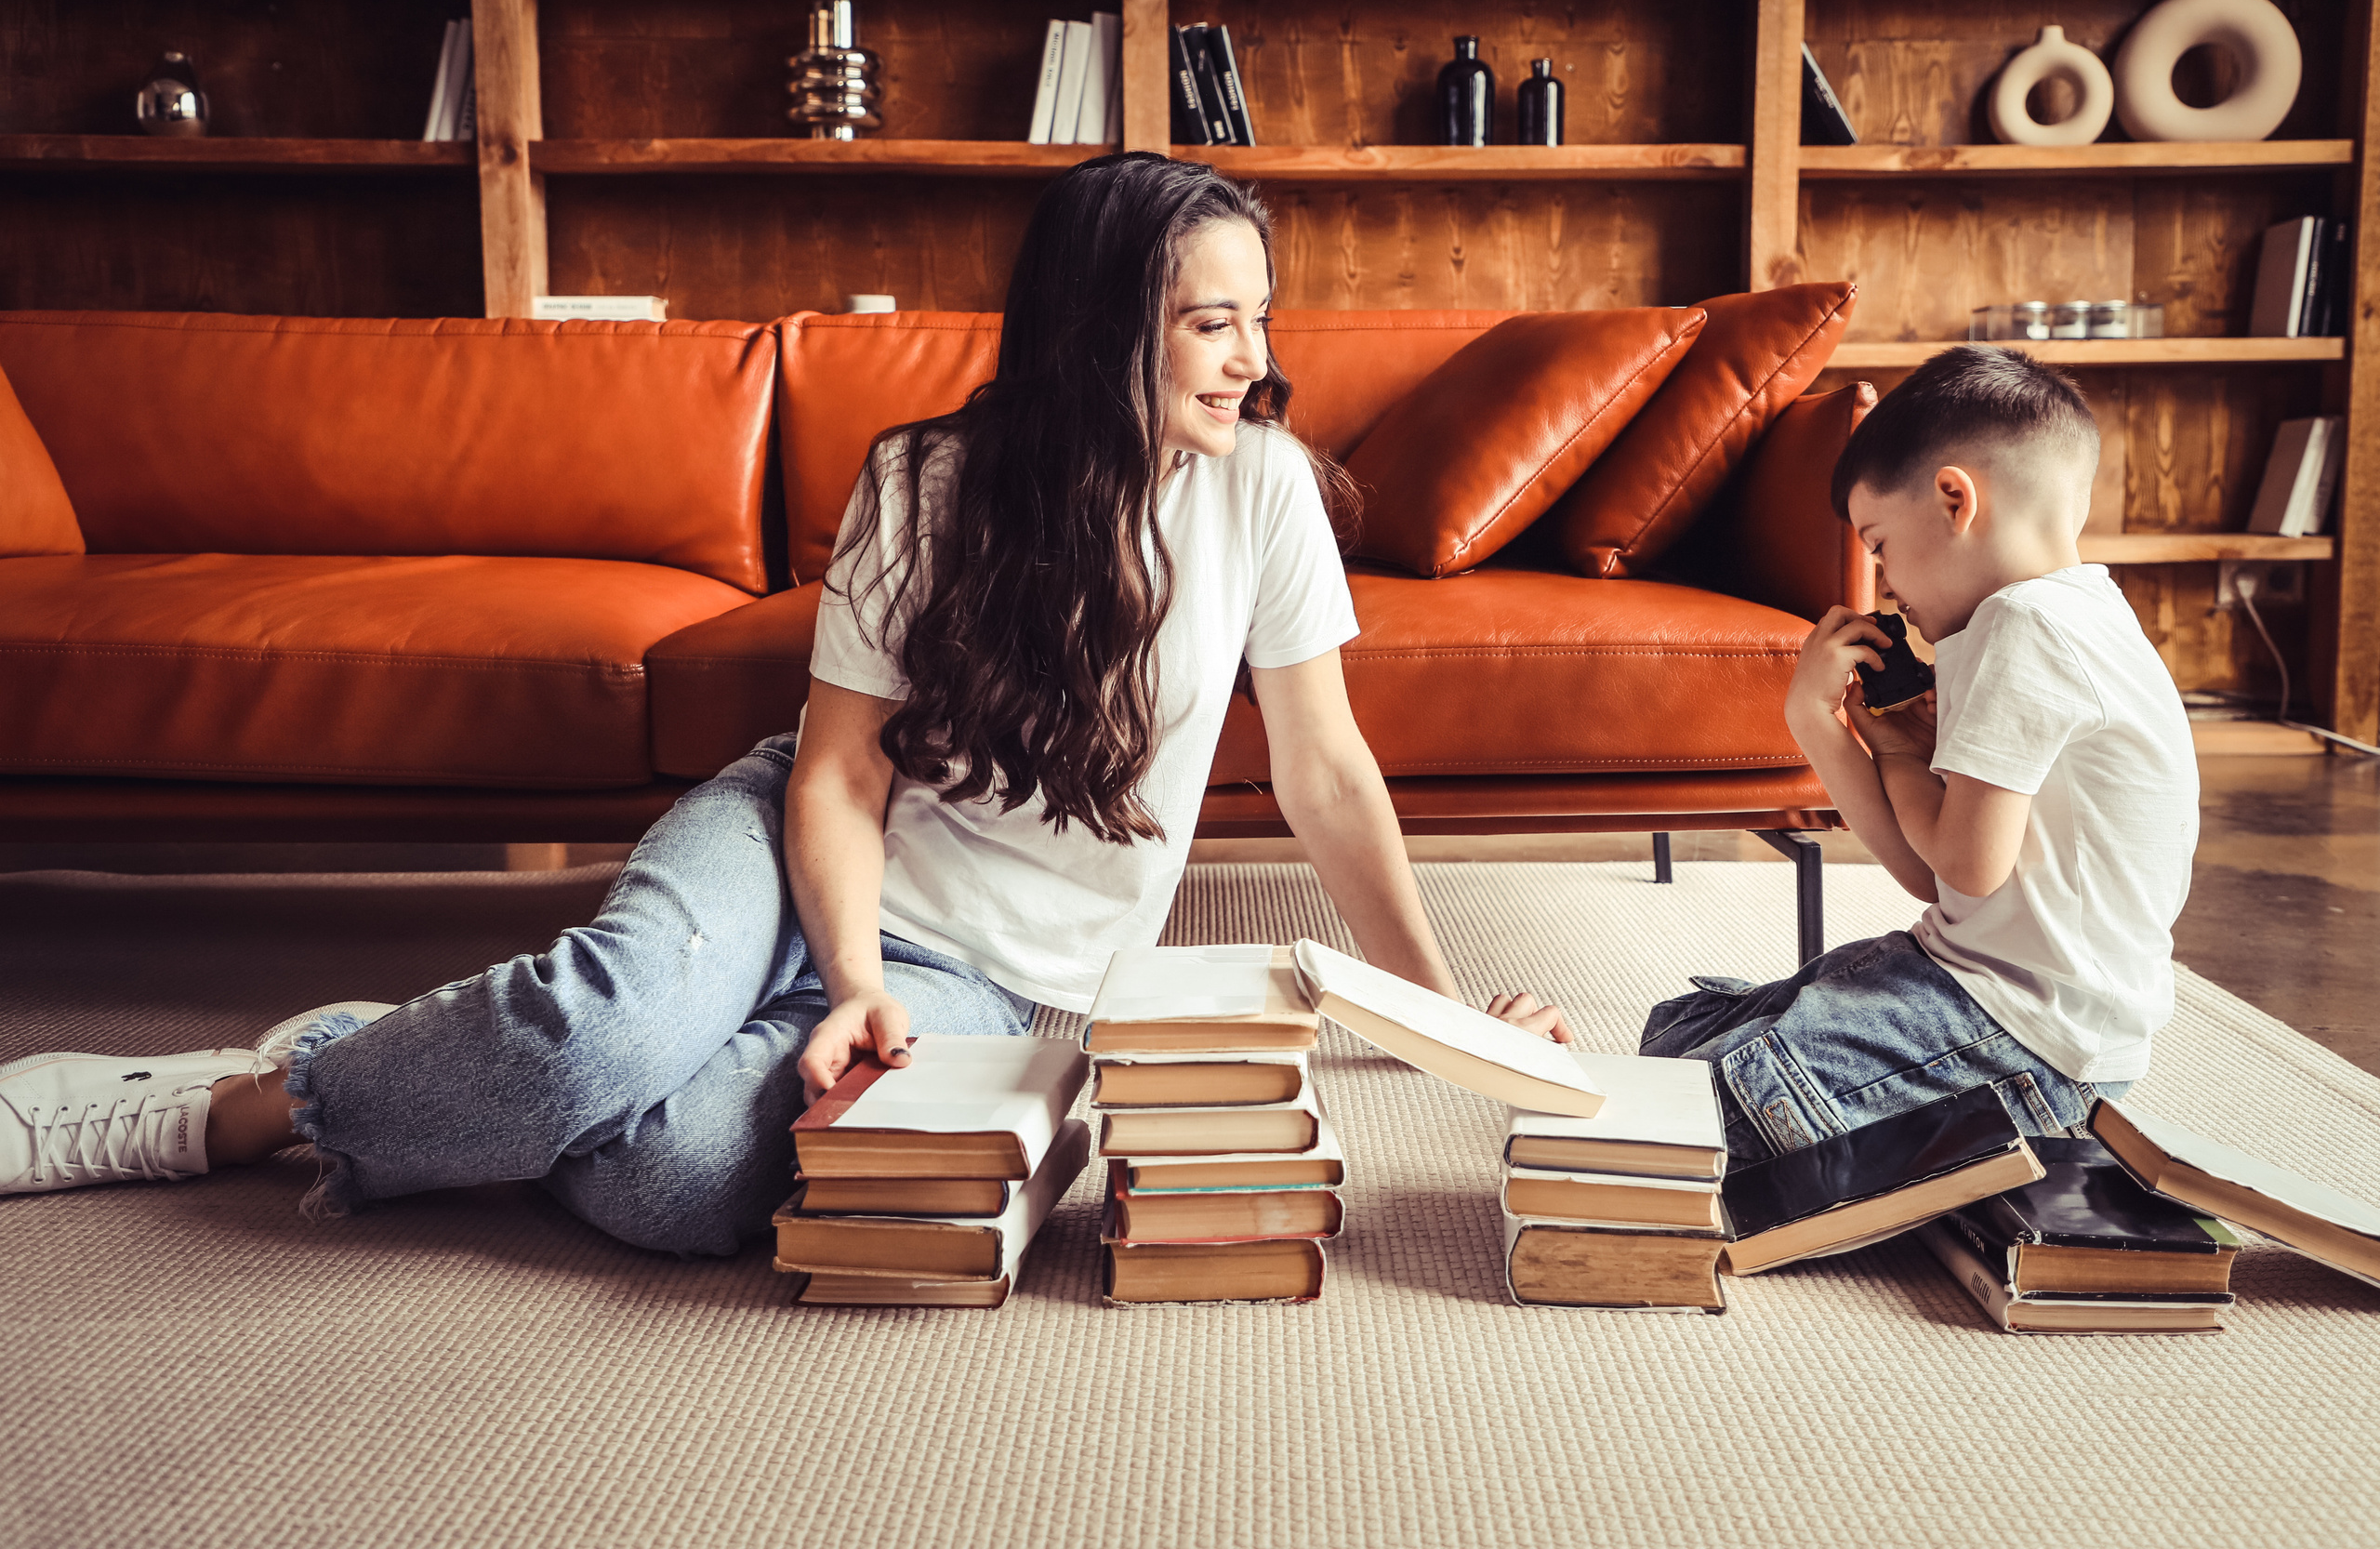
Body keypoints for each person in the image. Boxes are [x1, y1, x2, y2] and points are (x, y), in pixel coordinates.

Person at [0, 153, 1567, 1251]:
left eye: (1260, 318)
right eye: (1212, 322)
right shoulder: (929, 482)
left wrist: (1434, 1010)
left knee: (685, 1181)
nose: (1256, 360)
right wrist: (852, 971)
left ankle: (434, 1055)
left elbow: (1329, 774)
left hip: (1019, 979)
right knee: (591, 1037)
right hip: (805, 838)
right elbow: (832, 773)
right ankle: (237, 1103)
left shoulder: (1268, 493)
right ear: (1105, 333)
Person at [1640, 344, 2198, 1168]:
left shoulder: (2030, 628)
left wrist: (1903, 758)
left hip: (2026, 1037)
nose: (1882, 578)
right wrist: (1833, 726)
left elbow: (1965, 866)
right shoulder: (2041, 620)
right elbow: (1937, 881)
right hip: (1971, 987)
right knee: (1679, 1035)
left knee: (1687, 1112)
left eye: (1879, 544)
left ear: (1952, 498)